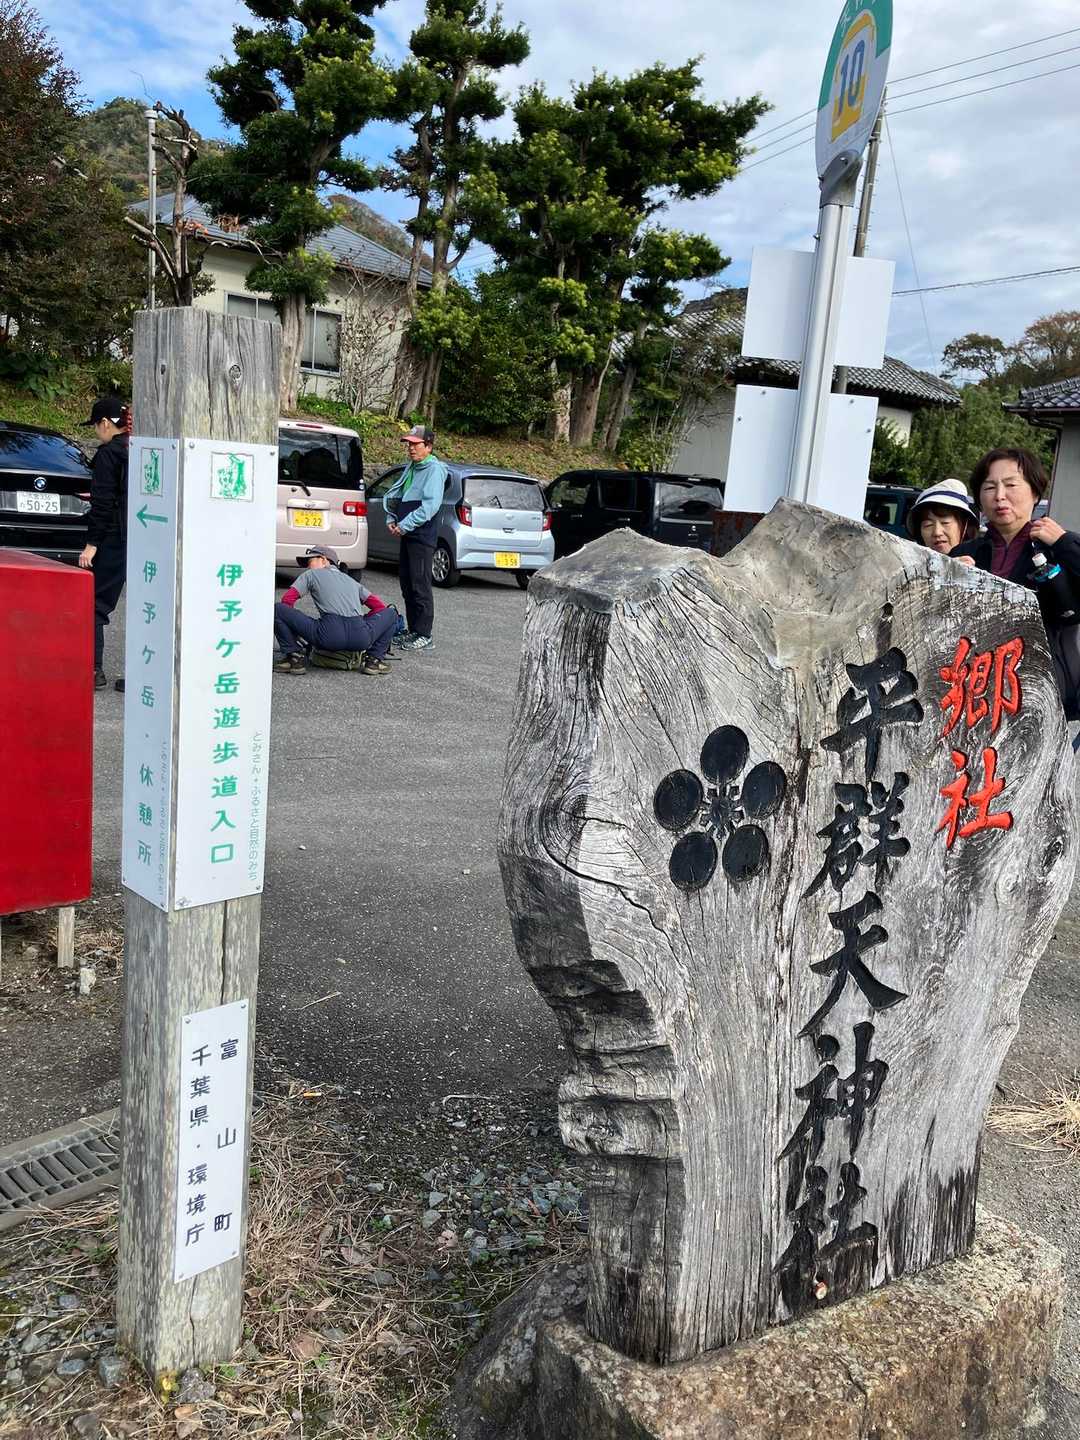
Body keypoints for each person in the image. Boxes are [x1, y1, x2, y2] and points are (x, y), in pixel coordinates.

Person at [951, 447, 1080, 720]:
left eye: (1011, 485)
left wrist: (1065, 542)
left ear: (1035, 493)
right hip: (974, 690)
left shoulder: (1056, 547)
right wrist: (950, 576)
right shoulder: (965, 554)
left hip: (1040, 692)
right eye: (989, 487)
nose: (1000, 496)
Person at [274, 546, 398, 677]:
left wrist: (295, 633)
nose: (308, 567)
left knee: (278, 609)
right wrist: (363, 622)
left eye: (310, 561)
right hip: (360, 637)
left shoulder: (311, 574)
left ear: (324, 560)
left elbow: (287, 601)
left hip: (328, 635)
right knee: (391, 613)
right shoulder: (352, 581)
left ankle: (294, 658)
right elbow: (379, 607)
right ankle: (374, 660)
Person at [78, 396, 130, 692]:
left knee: (95, 604)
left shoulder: (108, 455)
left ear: (106, 423)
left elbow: (103, 503)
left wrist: (92, 544)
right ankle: (145, 674)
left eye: (96, 426)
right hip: (145, 537)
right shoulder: (140, 450)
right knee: (148, 606)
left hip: (113, 537)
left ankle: (93, 669)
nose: (97, 432)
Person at [382, 424, 448, 653]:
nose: (410, 448)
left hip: (421, 535)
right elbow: (398, 495)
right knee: (407, 583)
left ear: (428, 446)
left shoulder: (434, 470)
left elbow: (430, 506)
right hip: (408, 533)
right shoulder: (413, 466)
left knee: (420, 585)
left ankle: (424, 634)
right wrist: (391, 517)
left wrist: (404, 525)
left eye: (415, 444)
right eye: (408, 444)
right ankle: (413, 630)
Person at [904, 478, 979, 555]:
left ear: (964, 526)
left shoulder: (981, 559)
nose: (937, 532)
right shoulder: (909, 560)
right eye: (928, 525)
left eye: (945, 523)